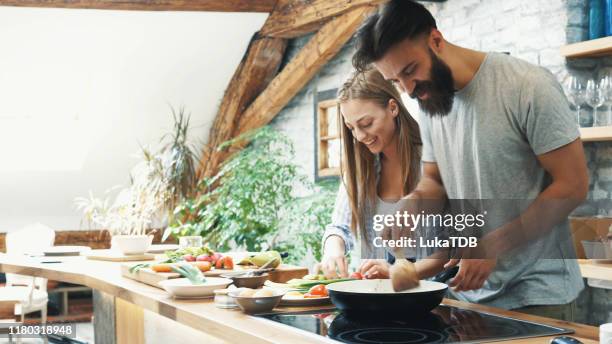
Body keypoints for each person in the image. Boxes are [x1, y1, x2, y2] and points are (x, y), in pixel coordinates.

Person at [350, 0, 588, 321]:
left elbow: (572, 186)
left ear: (436, 40)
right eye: (395, 81)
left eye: (410, 71)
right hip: (467, 296)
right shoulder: (430, 100)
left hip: (538, 296)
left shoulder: (527, 86)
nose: (407, 89)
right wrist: (413, 204)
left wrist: (492, 245)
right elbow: (435, 181)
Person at [315, 67, 447, 280]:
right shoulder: (360, 168)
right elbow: (339, 227)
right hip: (379, 296)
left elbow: (455, 245)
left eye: (366, 124)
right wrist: (333, 249)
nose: (359, 136)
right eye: (351, 128)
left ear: (393, 108)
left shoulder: (431, 162)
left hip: (432, 296)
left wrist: (400, 272)